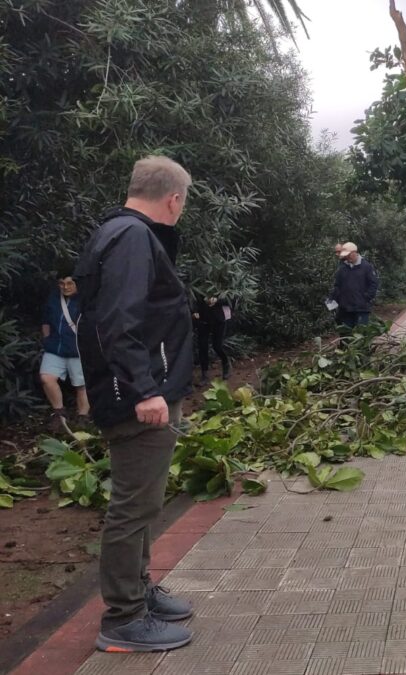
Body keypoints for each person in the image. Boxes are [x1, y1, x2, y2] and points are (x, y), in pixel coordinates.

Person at [74, 156, 196, 653]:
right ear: (174, 199)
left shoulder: (121, 233)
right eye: (183, 204)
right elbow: (118, 322)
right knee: (133, 505)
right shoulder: (131, 238)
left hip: (145, 390)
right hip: (137, 397)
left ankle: (139, 592)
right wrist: (145, 390)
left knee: (145, 500)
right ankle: (123, 618)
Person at [40, 272, 90, 431]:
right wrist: (47, 339)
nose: (65, 287)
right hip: (55, 347)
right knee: (46, 378)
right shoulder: (54, 298)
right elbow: (46, 320)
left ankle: (83, 417)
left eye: (69, 283)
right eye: (62, 283)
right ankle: (59, 413)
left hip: (78, 350)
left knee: (81, 385)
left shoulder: (85, 300)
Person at [329, 241, 379, 328]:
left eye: (349, 254)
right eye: (345, 255)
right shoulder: (342, 268)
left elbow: (373, 284)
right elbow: (337, 286)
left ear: (354, 252)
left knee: (360, 336)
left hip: (361, 309)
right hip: (345, 310)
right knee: (346, 337)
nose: (347, 257)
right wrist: (331, 303)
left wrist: (365, 298)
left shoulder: (366, 267)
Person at [192, 294, 231, 385]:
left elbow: (230, 299)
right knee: (202, 346)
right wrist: (194, 311)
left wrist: (217, 300)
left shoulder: (220, 283)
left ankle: (226, 364)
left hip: (218, 319)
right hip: (203, 319)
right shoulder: (199, 282)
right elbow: (193, 297)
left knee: (217, 346)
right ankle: (204, 375)